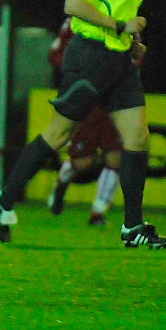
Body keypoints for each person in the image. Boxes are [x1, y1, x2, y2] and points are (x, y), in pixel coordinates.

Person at [0, 0, 166, 248]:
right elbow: (73, 3)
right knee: (57, 136)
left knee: (137, 138)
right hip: (89, 60)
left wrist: (131, 41)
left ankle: (132, 227)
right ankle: (3, 200)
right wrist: (120, 26)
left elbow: (118, 15)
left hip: (119, 62)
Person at [46, 18, 123, 226]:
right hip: (86, 98)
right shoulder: (75, 21)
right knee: (82, 162)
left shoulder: (122, 18)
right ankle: (61, 183)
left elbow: (135, 54)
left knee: (116, 157)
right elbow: (54, 55)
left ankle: (98, 212)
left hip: (114, 99)